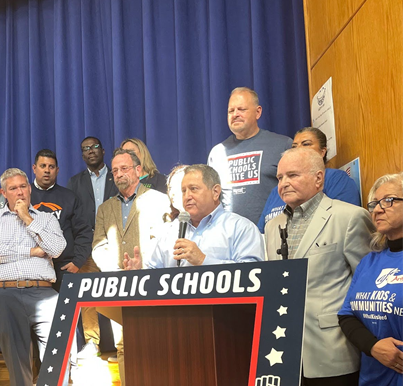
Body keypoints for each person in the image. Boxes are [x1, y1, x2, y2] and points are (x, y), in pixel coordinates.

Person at [265, 147, 374, 386]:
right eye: (279, 178)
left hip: (332, 352)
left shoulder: (349, 217)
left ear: (318, 178)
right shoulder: (271, 227)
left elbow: (366, 286)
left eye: (292, 175)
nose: (284, 183)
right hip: (283, 355)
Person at [0, 168, 66, 386]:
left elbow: (56, 249)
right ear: (4, 193)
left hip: (43, 292)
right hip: (4, 294)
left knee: (57, 356)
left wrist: (28, 218)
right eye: (13, 188)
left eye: (23, 186)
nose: (19, 192)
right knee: (17, 363)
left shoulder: (46, 218)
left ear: (30, 189)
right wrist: (32, 251)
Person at [93, 148, 171, 386]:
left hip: (153, 282)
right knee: (124, 344)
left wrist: (144, 266)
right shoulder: (105, 209)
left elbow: (168, 241)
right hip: (119, 284)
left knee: (158, 342)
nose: (118, 174)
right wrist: (115, 270)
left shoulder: (159, 200)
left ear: (139, 170)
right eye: (114, 170)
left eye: (124, 168)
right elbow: (98, 245)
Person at [339, 173, 403, 386]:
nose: (377, 209)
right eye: (374, 204)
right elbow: (347, 316)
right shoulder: (369, 262)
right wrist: (373, 346)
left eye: (388, 200)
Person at [124, 164, 264, 269]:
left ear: (215, 192)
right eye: (183, 191)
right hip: (175, 307)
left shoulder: (241, 228)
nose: (187, 196)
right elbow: (155, 272)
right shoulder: (169, 232)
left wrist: (203, 260)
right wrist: (139, 273)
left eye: (193, 189)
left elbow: (252, 274)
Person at [208, 87, 292, 225]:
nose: (235, 114)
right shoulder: (217, 154)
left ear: (258, 112)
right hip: (230, 237)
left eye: (241, 109)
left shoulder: (283, 145)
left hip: (274, 233)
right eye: (231, 111)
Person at [67, 137, 118, 358]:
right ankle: (92, 343)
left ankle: (124, 344)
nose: (91, 151)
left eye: (95, 147)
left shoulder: (116, 176)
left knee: (118, 293)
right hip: (88, 247)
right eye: (85, 149)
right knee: (88, 297)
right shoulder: (74, 183)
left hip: (116, 244)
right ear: (82, 155)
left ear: (103, 150)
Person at [258, 127, 361, 232]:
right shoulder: (277, 191)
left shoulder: (336, 179)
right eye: (294, 146)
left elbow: (345, 223)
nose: (298, 149)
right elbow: (262, 233)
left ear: (322, 151)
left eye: (306, 144)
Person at [30, 149, 93, 290]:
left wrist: (77, 262)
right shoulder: (23, 196)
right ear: (34, 168)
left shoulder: (69, 197)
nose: (47, 170)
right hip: (32, 267)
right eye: (43, 166)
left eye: (51, 167)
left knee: (71, 312)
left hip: (64, 268)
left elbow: (84, 232)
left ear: (57, 170)